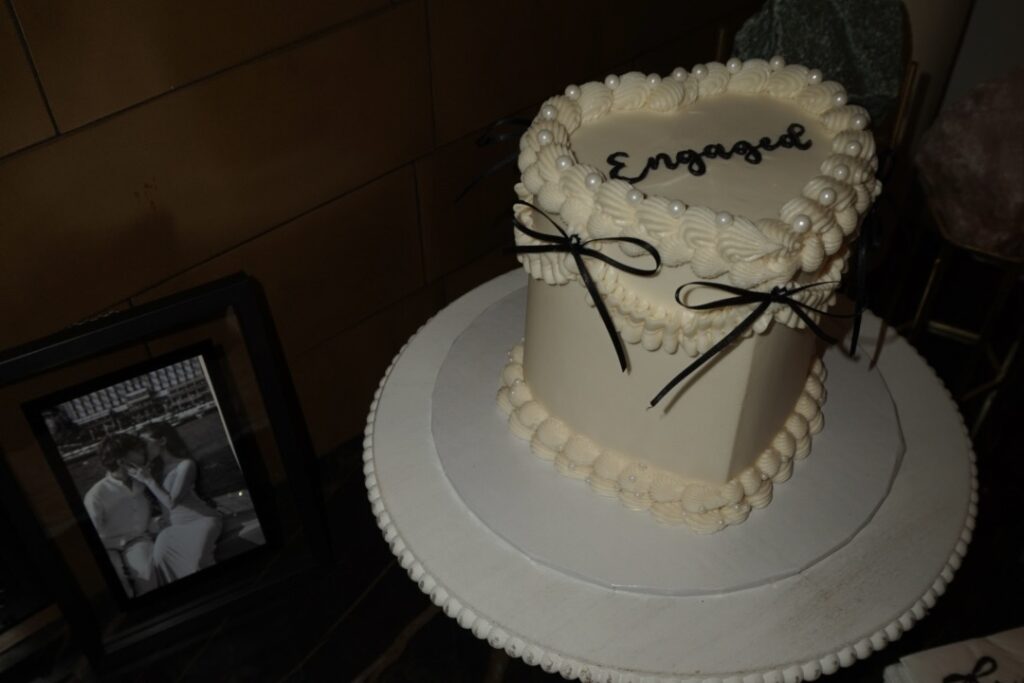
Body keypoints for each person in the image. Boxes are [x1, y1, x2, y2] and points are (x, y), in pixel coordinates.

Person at [127, 421, 222, 582]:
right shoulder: (155, 471)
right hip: (172, 528)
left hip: (200, 522)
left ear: (162, 441)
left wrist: (149, 481)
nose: (143, 449)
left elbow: (172, 502)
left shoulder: (185, 465)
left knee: (196, 560)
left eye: (145, 443)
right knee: (160, 559)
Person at [85, 434, 160, 597]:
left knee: (148, 572)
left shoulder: (142, 479)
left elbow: (156, 448)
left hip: (137, 539)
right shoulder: (96, 495)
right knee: (118, 579)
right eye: (137, 451)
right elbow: (90, 535)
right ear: (121, 461)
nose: (143, 453)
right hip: (107, 546)